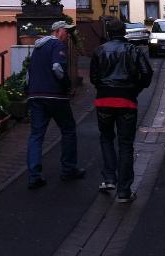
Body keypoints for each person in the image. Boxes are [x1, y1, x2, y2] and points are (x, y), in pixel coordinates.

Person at [90, 18, 153, 202]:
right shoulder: (133, 50)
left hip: (104, 100)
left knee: (106, 138)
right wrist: (135, 89)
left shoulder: (99, 50)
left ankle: (109, 178)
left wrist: (103, 87)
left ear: (108, 33)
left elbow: (94, 77)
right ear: (124, 32)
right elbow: (147, 73)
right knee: (126, 144)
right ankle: (124, 191)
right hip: (127, 101)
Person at [26, 20, 85, 189]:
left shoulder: (36, 49)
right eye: (66, 32)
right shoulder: (57, 45)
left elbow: (28, 74)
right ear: (58, 31)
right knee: (68, 129)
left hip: (35, 95)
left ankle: (34, 176)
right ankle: (68, 169)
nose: (67, 35)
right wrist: (66, 84)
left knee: (36, 135)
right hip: (54, 95)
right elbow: (57, 67)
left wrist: (30, 91)